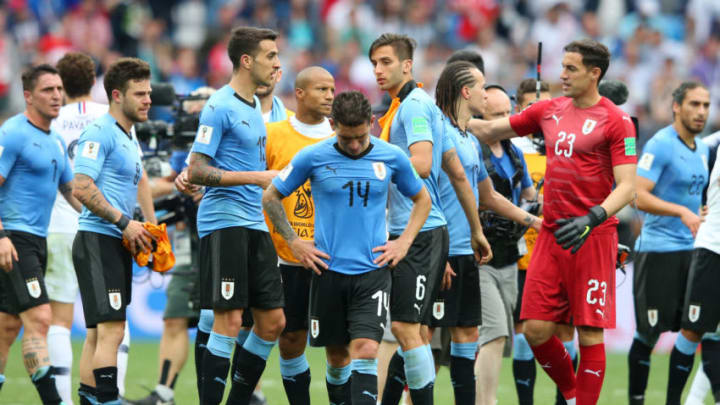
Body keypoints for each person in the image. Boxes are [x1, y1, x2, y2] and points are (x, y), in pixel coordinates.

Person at [469, 38, 637, 405]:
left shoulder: (618, 121)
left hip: (592, 236)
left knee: (589, 333)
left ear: (594, 74)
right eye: (561, 66)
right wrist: (451, 118)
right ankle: (575, 394)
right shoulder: (548, 110)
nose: (562, 74)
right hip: (551, 234)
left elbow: (627, 188)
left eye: (571, 68)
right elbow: (489, 131)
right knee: (534, 330)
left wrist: (593, 218)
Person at [263, 89, 431, 405]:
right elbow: (271, 196)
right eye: (346, 138)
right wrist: (294, 242)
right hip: (327, 272)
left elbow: (422, 199)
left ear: (370, 123)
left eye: (360, 137)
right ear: (333, 125)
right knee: (338, 358)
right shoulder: (313, 156)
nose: (354, 145)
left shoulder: (391, 156)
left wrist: (403, 243)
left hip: (373, 273)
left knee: (366, 349)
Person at [369, 32, 491, 405]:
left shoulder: (415, 107)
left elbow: (422, 164)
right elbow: (455, 173)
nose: (378, 70)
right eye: (374, 63)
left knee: (408, 329)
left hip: (418, 233)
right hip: (422, 232)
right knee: (413, 330)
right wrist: (474, 230)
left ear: (407, 65)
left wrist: (368, 160)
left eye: (386, 62)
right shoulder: (410, 107)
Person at [431, 61, 541, 405]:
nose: (485, 92)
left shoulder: (480, 144)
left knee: (465, 336)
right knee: (420, 336)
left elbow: (489, 196)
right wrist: (438, 249)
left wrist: (537, 221)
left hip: (480, 252)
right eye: (481, 88)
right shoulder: (445, 133)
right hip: (446, 250)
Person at [186, 26, 284, 405]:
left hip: (255, 223)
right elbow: (196, 169)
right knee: (228, 320)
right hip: (225, 221)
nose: (277, 62)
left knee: (273, 321)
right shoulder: (220, 105)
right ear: (247, 61)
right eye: (270, 56)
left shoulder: (253, 107)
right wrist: (256, 177)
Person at [45, 52, 131, 405]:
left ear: (61, 85)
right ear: (95, 78)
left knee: (60, 319)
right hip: (103, 227)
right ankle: (115, 393)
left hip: (58, 225)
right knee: (110, 323)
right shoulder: (111, 117)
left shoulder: (50, 119)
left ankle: (64, 400)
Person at [71, 57, 157, 405]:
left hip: (113, 241)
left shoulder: (128, 136)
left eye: (149, 92)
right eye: (140, 93)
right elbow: (81, 186)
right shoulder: (99, 132)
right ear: (117, 95)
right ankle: (108, 400)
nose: (148, 99)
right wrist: (125, 222)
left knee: (97, 333)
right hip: (98, 239)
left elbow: (132, 189)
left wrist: (148, 227)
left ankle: (92, 398)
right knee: (111, 330)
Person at [127, 86, 216, 405]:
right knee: (176, 317)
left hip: (224, 237)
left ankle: (253, 393)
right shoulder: (179, 144)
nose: (189, 114)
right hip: (190, 241)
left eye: (198, 107)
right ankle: (164, 392)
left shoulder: (225, 135)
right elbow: (167, 180)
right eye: (189, 107)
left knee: (236, 322)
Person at [0, 64, 79, 404]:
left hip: (36, 241)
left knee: (6, 329)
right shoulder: (13, 133)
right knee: (41, 317)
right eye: (48, 90)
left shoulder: (57, 141)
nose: (57, 96)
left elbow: (73, 192)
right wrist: (1, 236)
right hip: (12, 240)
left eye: (60, 89)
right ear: (29, 96)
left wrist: (113, 221)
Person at [628, 81, 711, 405]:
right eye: (694, 104)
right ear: (677, 106)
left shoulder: (702, 148)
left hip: (693, 251)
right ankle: (636, 400)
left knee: (694, 329)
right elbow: (637, 193)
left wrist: (698, 211)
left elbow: (693, 195)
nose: (701, 111)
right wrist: (680, 211)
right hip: (658, 250)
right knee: (648, 333)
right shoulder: (661, 145)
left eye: (705, 105)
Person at [261, 66, 335, 405]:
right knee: (290, 338)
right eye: (321, 89)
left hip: (334, 256)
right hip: (284, 256)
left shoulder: (341, 136)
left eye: (332, 89)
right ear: (300, 93)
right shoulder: (272, 133)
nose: (330, 95)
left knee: (341, 345)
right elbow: (258, 186)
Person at [511, 78, 580, 405]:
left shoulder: (567, 146)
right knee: (525, 334)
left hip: (562, 253)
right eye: (531, 107)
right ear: (519, 109)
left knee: (566, 332)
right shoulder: (513, 150)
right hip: (523, 258)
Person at [473, 84, 541, 405]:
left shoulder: (515, 151)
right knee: (495, 331)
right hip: (481, 253)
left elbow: (530, 196)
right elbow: (488, 199)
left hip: (510, 254)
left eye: (507, 114)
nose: (504, 121)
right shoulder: (471, 149)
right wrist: (532, 219)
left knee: (505, 334)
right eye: (495, 115)